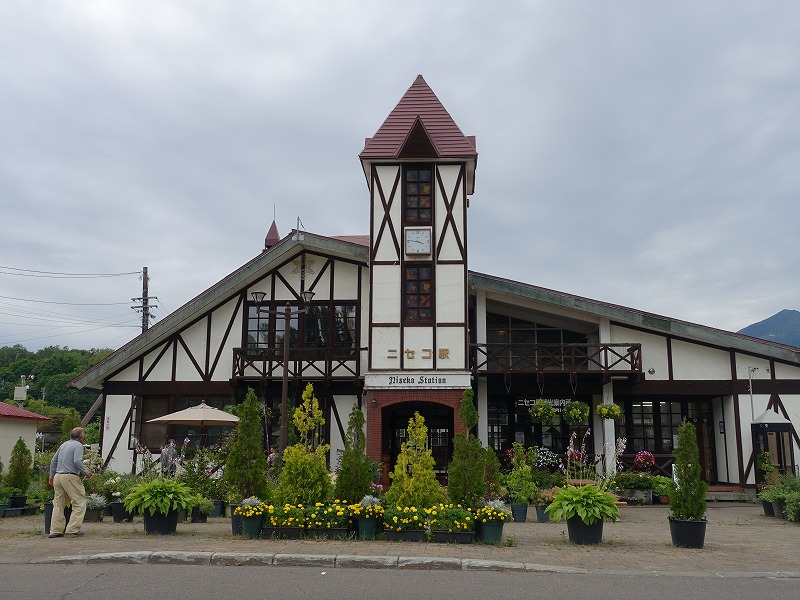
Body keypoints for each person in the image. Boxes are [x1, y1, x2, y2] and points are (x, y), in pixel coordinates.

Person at [48, 427, 93, 538]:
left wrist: (51, 476)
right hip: (70, 476)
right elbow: (77, 461)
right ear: (81, 437)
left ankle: (55, 530)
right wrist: (86, 472)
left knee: (58, 504)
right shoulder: (78, 445)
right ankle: (72, 529)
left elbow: (54, 460)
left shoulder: (64, 444)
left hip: (58, 476)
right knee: (79, 501)